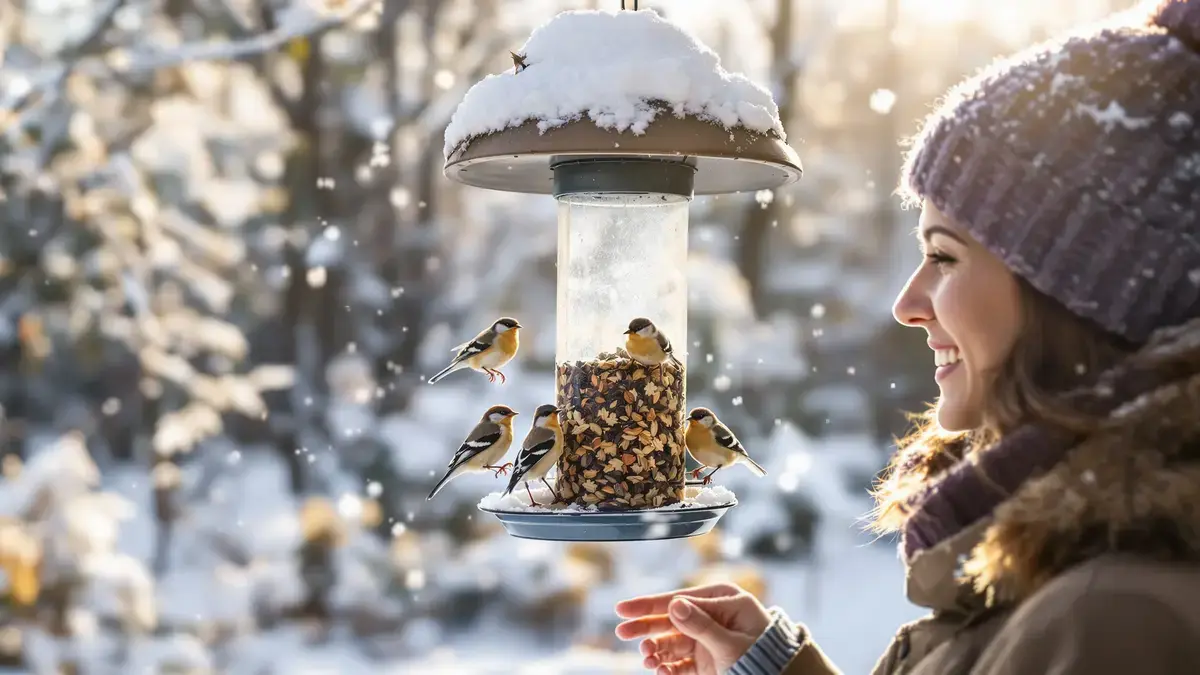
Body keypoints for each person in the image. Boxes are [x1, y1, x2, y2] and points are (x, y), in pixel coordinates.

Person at [613, 0, 1200, 672]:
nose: (906, 304)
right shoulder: (1075, 575)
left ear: (1084, 288)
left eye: (944, 256)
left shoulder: (1112, 622)